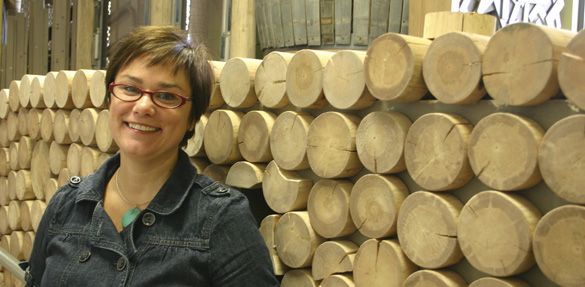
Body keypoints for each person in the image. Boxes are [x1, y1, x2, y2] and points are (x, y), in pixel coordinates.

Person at [23, 26, 281, 286]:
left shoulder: (220, 219)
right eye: (130, 89)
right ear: (110, 98)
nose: (143, 106)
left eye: (167, 96)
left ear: (192, 118)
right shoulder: (66, 205)